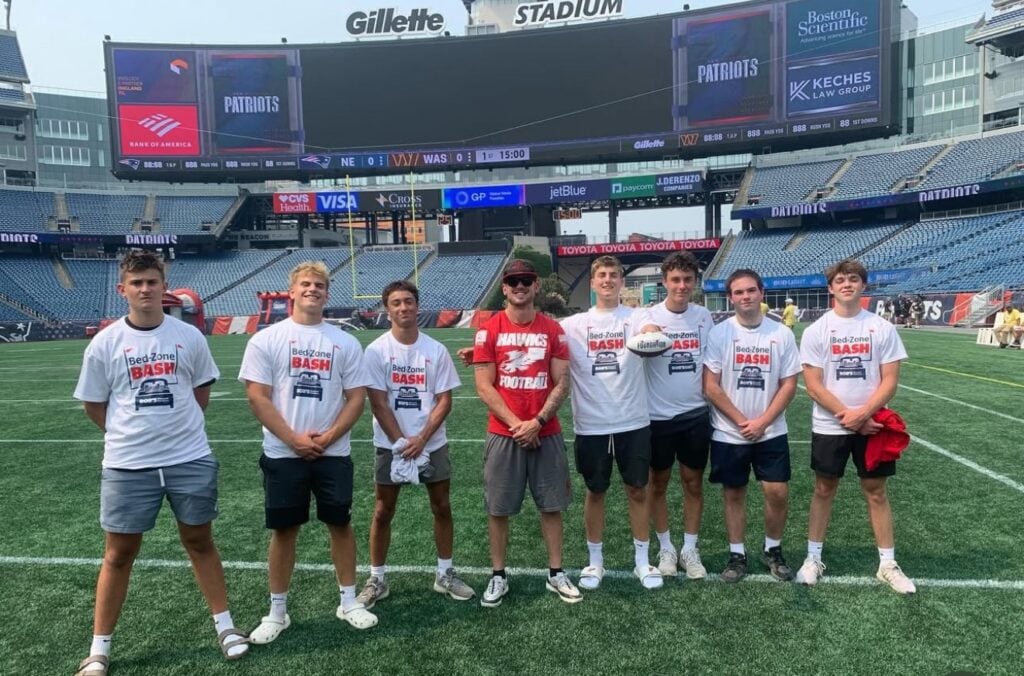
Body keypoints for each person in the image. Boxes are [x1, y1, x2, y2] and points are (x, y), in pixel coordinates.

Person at [73, 251, 248, 676]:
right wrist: (128, 436)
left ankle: (225, 627)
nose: (145, 289)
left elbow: (200, 395)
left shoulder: (188, 337)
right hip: (128, 464)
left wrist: (176, 433)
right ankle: (99, 649)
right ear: (123, 290)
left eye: (152, 281)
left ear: (163, 286)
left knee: (200, 541)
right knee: (118, 553)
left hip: (189, 458)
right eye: (137, 283)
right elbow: (95, 405)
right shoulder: (106, 343)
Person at [239, 261, 377, 643]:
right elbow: (257, 397)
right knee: (284, 530)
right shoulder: (267, 339)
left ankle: (349, 601)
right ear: (292, 291)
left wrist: (329, 436)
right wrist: (293, 439)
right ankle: (277, 611)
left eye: (319, 285)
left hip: (333, 452)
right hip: (283, 453)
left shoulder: (344, 342)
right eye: (306, 284)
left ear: (327, 293)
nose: (312, 289)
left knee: (340, 524)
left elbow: (356, 398)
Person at [794, 259, 915, 594]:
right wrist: (849, 417)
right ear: (830, 288)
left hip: (873, 423)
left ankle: (887, 563)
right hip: (831, 425)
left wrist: (863, 416)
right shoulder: (817, 330)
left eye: (853, 279)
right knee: (823, 489)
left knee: (876, 491)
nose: (846, 284)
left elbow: (890, 381)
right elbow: (814, 385)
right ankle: (813, 558)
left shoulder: (881, 327)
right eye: (840, 280)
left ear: (863, 286)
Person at [355, 281, 474, 609]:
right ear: (386, 309)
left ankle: (445, 574)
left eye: (408, 301)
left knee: (442, 507)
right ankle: (377, 578)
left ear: (417, 306)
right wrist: (401, 443)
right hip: (389, 445)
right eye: (396, 303)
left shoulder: (434, 350)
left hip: (432, 444)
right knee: (383, 510)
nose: (403, 308)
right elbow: (377, 402)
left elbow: (444, 400)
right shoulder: (376, 351)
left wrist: (421, 439)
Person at [472, 259, 580, 607]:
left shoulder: (553, 330)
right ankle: (498, 576)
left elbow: (562, 381)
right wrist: (517, 424)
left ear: (536, 286)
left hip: (545, 431)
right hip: (504, 433)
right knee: (498, 509)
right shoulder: (489, 329)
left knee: (552, 506)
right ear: (504, 288)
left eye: (526, 281)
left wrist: (537, 421)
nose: (519, 286)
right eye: (513, 281)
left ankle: (556, 572)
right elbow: (484, 386)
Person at [560, 255, 663, 590]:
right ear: (592, 283)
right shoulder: (573, 325)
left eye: (613, 275)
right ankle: (595, 562)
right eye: (601, 275)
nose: (607, 280)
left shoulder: (636, 316)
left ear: (622, 281)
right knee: (595, 491)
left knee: (637, 489)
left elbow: (651, 330)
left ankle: (642, 561)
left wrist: (650, 331)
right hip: (590, 423)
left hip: (632, 420)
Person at [702, 269, 801, 583]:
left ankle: (772, 549)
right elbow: (711, 386)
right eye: (738, 292)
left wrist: (763, 422)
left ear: (761, 293)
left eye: (750, 291)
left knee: (777, 492)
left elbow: (789, 384)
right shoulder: (719, 334)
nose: (745, 297)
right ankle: (737, 554)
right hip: (730, 431)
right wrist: (743, 422)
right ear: (730, 297)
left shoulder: (781, 334)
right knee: (734, 493)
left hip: (770, 430)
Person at [638, 252, 713, 579]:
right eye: (675, 280)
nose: (681, 286)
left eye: (687, 280)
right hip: (657, 416)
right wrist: (650, 327)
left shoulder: (703, 317)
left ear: (694, 282)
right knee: (658, 483)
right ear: (665, 282)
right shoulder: (647, 316)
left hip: (695, 414)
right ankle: (666, 548)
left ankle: (689, 549)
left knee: (693, 483)